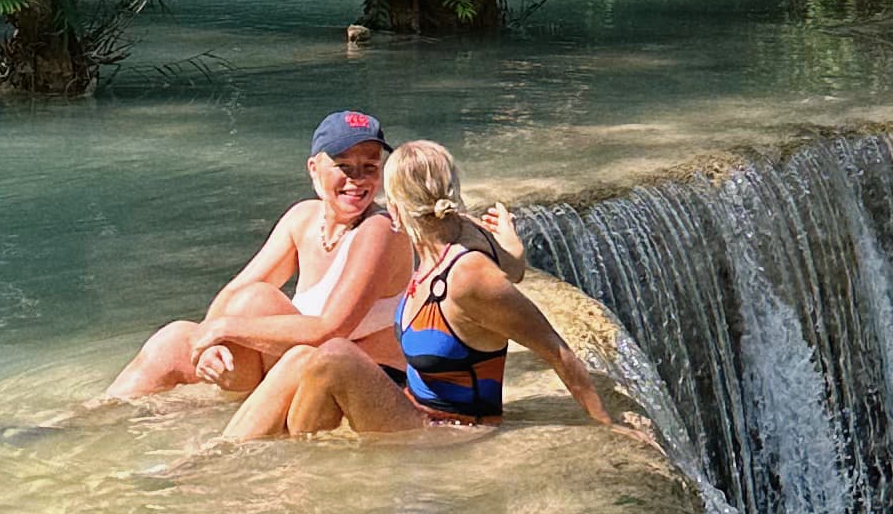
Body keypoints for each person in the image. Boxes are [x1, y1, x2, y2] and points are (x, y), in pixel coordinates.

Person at [220, 139, 626, 440]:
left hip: (451, 430)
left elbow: (556, 350)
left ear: (396, 211)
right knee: (302, 357)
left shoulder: (468, 275)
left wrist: (608, 424)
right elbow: (514, 268)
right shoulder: (453, 236)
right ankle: (234, 452)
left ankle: (281, 463)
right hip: (411, 407)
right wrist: (512, 243)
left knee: (335, 355)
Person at [103, 109, 412, 402]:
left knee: (255, 301)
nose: (357, 179)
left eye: (369, 167)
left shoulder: (381, 230)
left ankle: (230, 409)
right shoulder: (303, 217)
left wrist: (222, 329)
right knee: (172, 340)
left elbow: (330, 330)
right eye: (343, 166)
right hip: (299, 362)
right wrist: (206, 344)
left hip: (363, 377)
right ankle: (90, 417)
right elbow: (234, 290)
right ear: (313, 168)